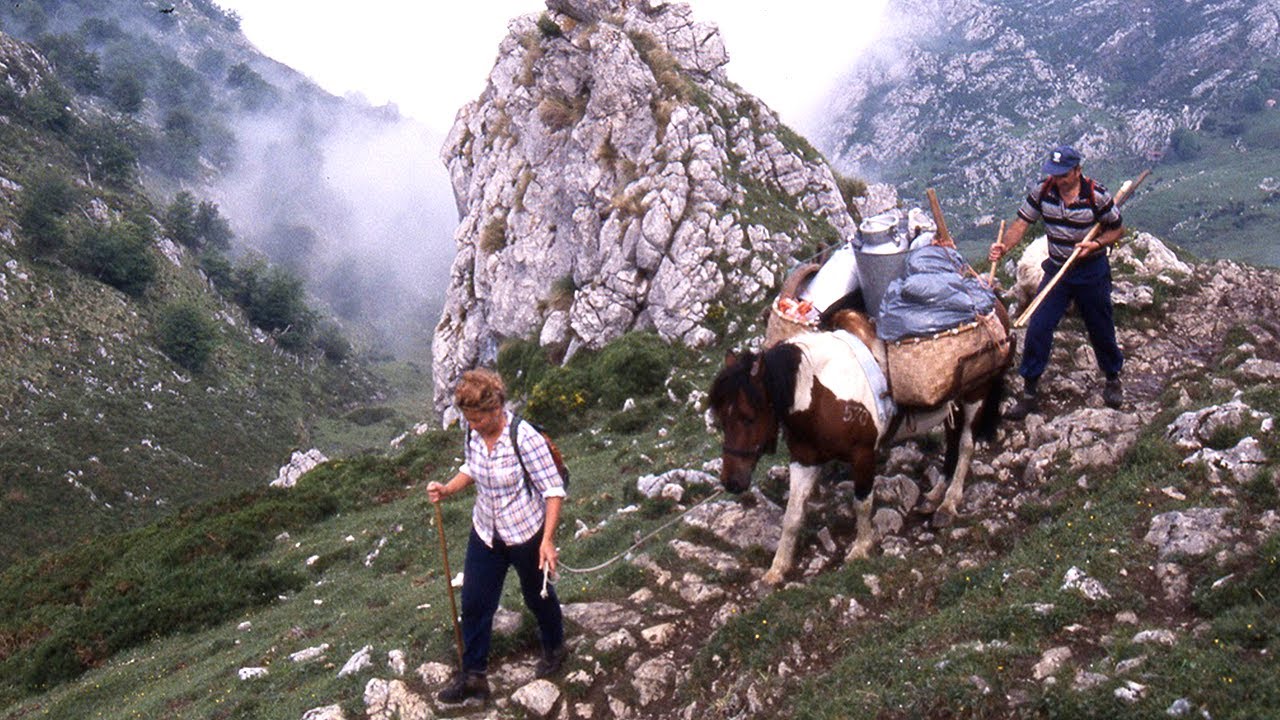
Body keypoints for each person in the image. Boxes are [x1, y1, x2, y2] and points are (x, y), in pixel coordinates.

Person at [427, 368, 567, 704]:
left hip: (526, 532)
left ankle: (555, 647)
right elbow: (471, 468)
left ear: (496, 408)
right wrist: (447, 489)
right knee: (475, 603)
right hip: (486, 531)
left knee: (537, 596)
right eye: (468, 418)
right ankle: (474, 677)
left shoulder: (525, 438)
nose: (473, 425)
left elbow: (553, 490)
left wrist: (547, 540)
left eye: (478, 418)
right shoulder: (473, 433)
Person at [988, 144, 1125, 419]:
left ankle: (1112, 378)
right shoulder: (1043, 191)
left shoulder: (1096, 196)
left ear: (1077, 170)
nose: (1058, 179)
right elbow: (1021, 223)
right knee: (1038, 326)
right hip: (1057, 270)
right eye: (1054, 173)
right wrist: (1004, 247)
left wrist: (1096, 244)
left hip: (1091, 270)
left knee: (1100, 326)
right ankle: (1029, 393)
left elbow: (1117, 229)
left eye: (1063, 174)